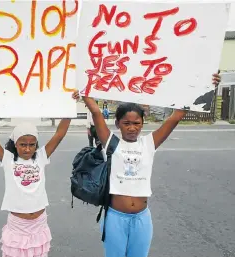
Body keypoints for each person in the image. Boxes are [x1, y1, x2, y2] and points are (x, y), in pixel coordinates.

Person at [82, 73, 221, 257]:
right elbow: (96, 112)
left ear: (142, 123)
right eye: (127, 123)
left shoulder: (149, 144)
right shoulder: (112, 144)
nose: (132, 127)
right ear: (118, 124)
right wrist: (84, 92)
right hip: (115, 219)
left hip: (142, 220)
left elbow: (176, 116)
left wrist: (205, 86)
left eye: (137, 123)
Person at [0, 90, 80, 257]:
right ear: (15, 144)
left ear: (37, 145)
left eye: (32, 144)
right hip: (17, 225)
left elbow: (59, 135)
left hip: (39, 223)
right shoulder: (7, 159)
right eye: (23, 144)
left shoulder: (41, 157)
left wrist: (70, 108)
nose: (28, 148)